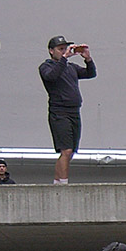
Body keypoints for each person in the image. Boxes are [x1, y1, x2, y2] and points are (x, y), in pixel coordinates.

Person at [38, 35, 96, 184]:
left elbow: (90, 74)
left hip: (74, 111)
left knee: (70, 152)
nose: (64, 52)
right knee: (66, 150)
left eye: (65, 49)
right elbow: (51, 76)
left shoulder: (71, 67)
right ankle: (63, 182)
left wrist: (87, 59)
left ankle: (57, 181)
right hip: (59, 112)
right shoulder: (47, 66)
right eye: (60, 49)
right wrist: (64, 59)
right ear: (51, 51)